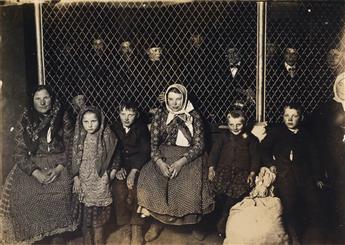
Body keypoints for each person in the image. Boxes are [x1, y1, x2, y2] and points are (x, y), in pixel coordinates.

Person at [136, 83, 214, 242]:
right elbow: (154, 144)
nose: (174, 103)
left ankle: (195, 224)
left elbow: (199, 146)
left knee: (189, 183)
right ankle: (157, 222)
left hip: (189, 156)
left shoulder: (194, 116)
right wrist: (160, 163)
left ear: (184, 98)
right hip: (164, 154)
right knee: (150, 178)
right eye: (170, 99)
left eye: (178, 99)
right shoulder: (160, 115)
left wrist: (180, 163)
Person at [0, 85, 77, 244]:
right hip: (34, 164)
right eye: (38, 99)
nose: (42, 103)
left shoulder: (62, 116)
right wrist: (35, 172)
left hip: (59, 163)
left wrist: (60, 167)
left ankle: (57, 236)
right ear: (32, 100)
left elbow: (71, 146)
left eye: (46, 98)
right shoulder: (26, 118)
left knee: (59, 193)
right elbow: (18, 152)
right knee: (25, 195)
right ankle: (37, 238)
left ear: (52, 98)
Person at [260, 103, 324, 244]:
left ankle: (311, 235)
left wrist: (318, 177)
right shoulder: (277, 132)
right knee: (288, 203)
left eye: (294, 116)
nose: (290, 119)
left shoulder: (306, 135)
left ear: (300, 118)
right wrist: (271, 164)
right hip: (284, 175)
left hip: (304, 175)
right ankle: (292, 236)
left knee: (313, 201)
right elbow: (263, 150)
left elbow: (314, 157)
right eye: (287, 115)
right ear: (283, 117)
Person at [207, 109, 260, 238]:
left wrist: (252, 174)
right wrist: (211, 168)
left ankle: (224, 218)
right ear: (227, 124)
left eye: (238, 124)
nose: (235, 128)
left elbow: (255, 158)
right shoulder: (223, 137)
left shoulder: (251, 139)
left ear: (245, 123)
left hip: (241, 173)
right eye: (231, 125)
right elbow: (214, 153)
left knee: (237, 193)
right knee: (217, 190)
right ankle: (220, 216)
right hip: (223, 172)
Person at [71, 106, 119, 245]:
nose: (90, 125)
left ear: (100, 120)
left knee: (99, 210)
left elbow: (116, 156)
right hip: (83, 177)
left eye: (93, 121)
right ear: (81, 122)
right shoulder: (78, 137)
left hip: (101, 176)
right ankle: (87, 236)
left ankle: (99, 235)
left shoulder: (107, 135)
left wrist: (112, 172)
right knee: (85, 208)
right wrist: (76, 178)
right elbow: (72, 159)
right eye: (86, 122)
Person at [309, 72, 345, 243]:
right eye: (341, 84)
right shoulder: (325, 108)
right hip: (333, 160)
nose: (344, 88)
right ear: (335, 86)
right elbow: (316, 137)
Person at [110, 101, 150, 245]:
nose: (126, 118)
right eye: (123, 114)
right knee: (119, 188)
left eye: (131, 115)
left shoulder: (141, 128)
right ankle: (125, 225)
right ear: (118, 113)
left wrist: (134, 171)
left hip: (138, 165)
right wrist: (117, 167)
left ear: (137, 115)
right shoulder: (114, 127)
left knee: (136, 189)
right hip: (121, 165)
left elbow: (145, 151)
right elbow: (112, 150)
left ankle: (137, 226)